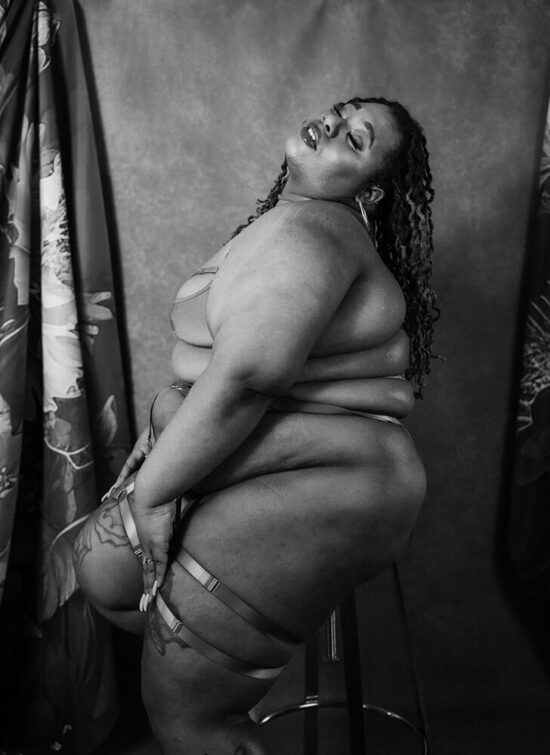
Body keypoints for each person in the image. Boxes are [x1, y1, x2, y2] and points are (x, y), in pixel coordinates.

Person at [74, 95, 437, 755]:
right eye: (338, 113)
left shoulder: (314, 232)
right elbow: (227, 369)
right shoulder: (297, 221)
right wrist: (169, 431)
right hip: (301, 461)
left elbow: (248, 376)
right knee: (114, 585)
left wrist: (155, 491)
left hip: (329, 479)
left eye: (354, 139)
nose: (331, 125)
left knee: (191, 718)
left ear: (371, 192)